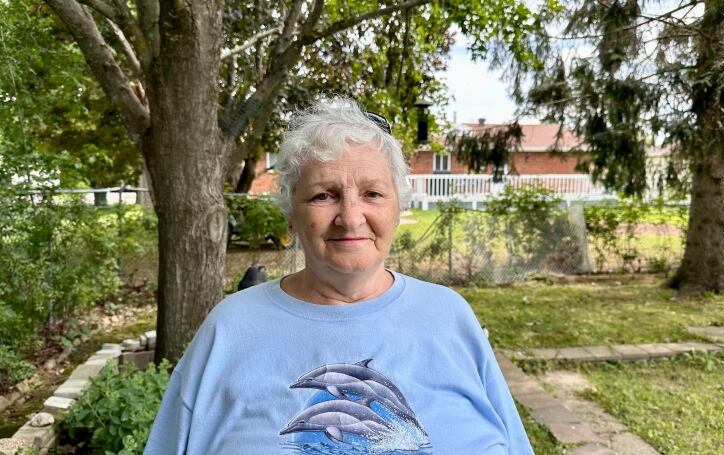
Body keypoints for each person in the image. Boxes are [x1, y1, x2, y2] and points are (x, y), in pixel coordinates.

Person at [144, 98, 534, 454]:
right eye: (323, 195)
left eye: (373, 194)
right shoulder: (228, 329)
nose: (350, 217)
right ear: (291, 215)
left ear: (398, 208)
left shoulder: (450, 315)